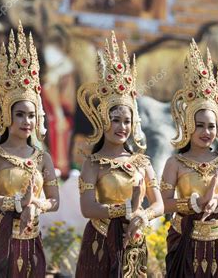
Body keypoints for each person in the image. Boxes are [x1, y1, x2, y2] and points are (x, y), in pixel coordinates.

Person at [0, 22, 59, 277]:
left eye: (31, 115)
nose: (26, 121)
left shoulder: (43, 158)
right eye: (19, 114)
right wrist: (15, 202)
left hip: (30, 238)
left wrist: (36, 206)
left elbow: (54, 200)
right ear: (7, 115)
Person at [75, 31, 164, 277]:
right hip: (100, 240)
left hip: (135, 237)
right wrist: (127, 209)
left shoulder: (142, 162)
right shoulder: (92, 164)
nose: (122, 127)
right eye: (115, 120)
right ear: (103, 120)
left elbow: (159, 203)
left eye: (127, 121)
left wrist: (142, 216)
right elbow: (88, 208)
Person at [161, 40, 218, 277]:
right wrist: (190, 204)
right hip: (183, 239)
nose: (206, 132)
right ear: (187, 125)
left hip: (217, 241)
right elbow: (163, 203)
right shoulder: (175, 163)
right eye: (199, 125)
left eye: (211, 126)